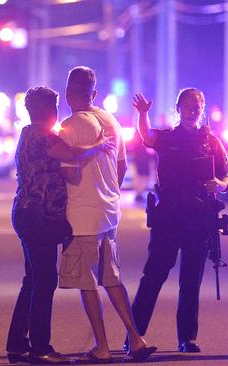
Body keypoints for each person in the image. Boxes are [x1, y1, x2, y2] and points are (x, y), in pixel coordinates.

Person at [57, 66, 156, 363]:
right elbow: (122, 167)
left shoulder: (70, 125)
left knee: (87, 282)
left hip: (81, 214)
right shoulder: (111, 121)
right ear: (95, 93)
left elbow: (69, 175)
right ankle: (136, 339)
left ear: (67, 93)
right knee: (112, 278)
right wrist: (108, 187)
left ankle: (101, 346)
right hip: (109, 211)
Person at [6, 86, 111, 364]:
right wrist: (98, 146)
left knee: (32, 281)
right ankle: (40, 347)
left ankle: (17, 343)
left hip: (25, 213)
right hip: (39, 217)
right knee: (44, 282)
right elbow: (72, 154)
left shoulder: (27, 133)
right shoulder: (43, 137)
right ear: (50, 111)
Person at [130, 88, 228, 353]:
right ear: (178, 108)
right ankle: (134, 334)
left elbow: (227, 178)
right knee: (153, 276)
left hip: (198, 219)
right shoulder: (168, 138)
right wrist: (143, 114)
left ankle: (187, 338)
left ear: (203, 108)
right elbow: (147, 137)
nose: (192, 108)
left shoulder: (212, 142)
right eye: (187, 104)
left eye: (197, 104)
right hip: (168, 217)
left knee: (190, 281)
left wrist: (218, 185)